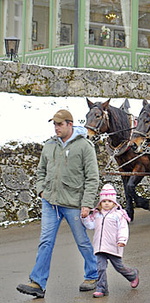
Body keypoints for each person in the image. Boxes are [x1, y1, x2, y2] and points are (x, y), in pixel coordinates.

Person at [16, 109, 100, 298]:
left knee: (82, 242)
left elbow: (92, 178)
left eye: (60, 124)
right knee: (45, 241)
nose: (56, 128)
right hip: (50, 203)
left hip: (73, 204)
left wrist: (87, 204)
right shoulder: (49, 145)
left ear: (70, 124)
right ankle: (37, 282)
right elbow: (40, 172)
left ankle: (93, 275)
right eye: (54, 124)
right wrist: (41, 190)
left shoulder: (85, 146)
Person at [81, 184, 139, 298]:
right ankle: (102, 289)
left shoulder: (118, 215)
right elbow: (90, 225)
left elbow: (123, 229)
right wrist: (85, 218)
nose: (106, 203)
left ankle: (132, 274)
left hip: (113, 246)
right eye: (104, 201)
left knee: (119, 267)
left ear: (114, 202)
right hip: (99, 247)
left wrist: (122, 240)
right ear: (100, 202)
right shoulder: (97, 215)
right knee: (100, 268)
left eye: (109, 201)